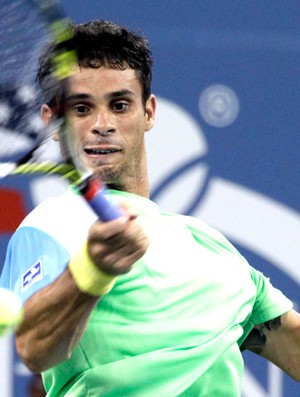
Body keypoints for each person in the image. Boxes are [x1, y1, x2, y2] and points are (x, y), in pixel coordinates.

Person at [0, 20, 299, 397]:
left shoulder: (210, 243)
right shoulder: (52, 223)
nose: (102, 125)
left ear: (149, 112)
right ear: (52, 123)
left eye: (120, 105)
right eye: (81, 108)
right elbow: (35, 348)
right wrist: (93, 270)